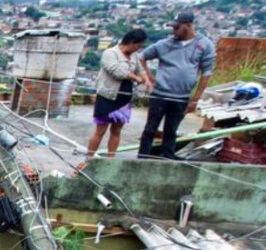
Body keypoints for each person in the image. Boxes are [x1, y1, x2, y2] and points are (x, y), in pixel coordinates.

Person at [137, 11, 215, 160]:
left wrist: (195, 99)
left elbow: (206, 73)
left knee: (171, 129)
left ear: (188, 26)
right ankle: (143, 156)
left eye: (177, 27)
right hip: (160, 94)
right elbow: (142, 57)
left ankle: (168, 155)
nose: (174, 31)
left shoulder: (204, 45)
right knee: (150, 128)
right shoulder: (165, 44)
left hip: (182, 96)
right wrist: (148, 77)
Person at [87, 29, 150, 158]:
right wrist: (136, 78)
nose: (139, 48)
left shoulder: (134, 56)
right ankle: (89, 158)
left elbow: (140, 69)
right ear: (132, 42)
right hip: (107, 96)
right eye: (138, 45)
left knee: (116, 130)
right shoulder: (110, 53)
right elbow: (116, 71)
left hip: (124, 97)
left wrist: (146, 79)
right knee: (100, 130)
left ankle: (111, 158)